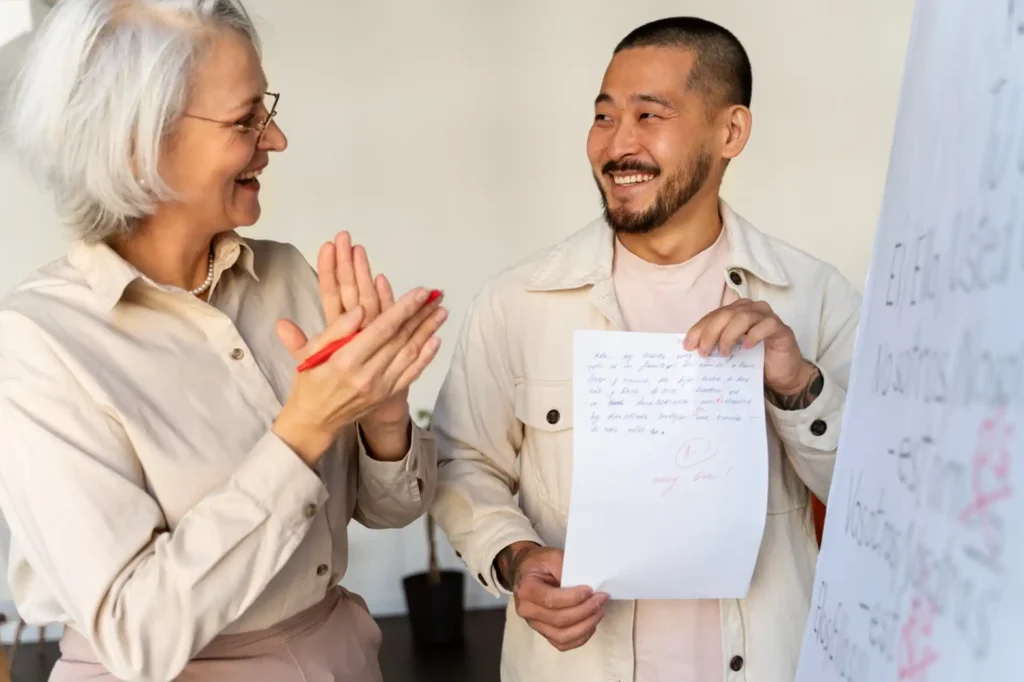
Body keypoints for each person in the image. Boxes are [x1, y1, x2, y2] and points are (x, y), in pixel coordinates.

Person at [0, 2, 448, 681]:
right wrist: (302, 430)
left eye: (266, 109)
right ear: (136, 141)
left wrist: (384, 416)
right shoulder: (38, 344)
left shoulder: (288, 278)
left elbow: (391, 509)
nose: (277, 139)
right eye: (247, 120)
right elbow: (136, 634)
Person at [429, 16, 862, 682]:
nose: (616, 145)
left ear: (730, 133)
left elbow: (873, 498)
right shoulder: (519, 302)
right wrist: (512, 555)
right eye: (603, 117)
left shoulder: (814, 297)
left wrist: (797, 382)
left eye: (648, 115)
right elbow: (460, 460)